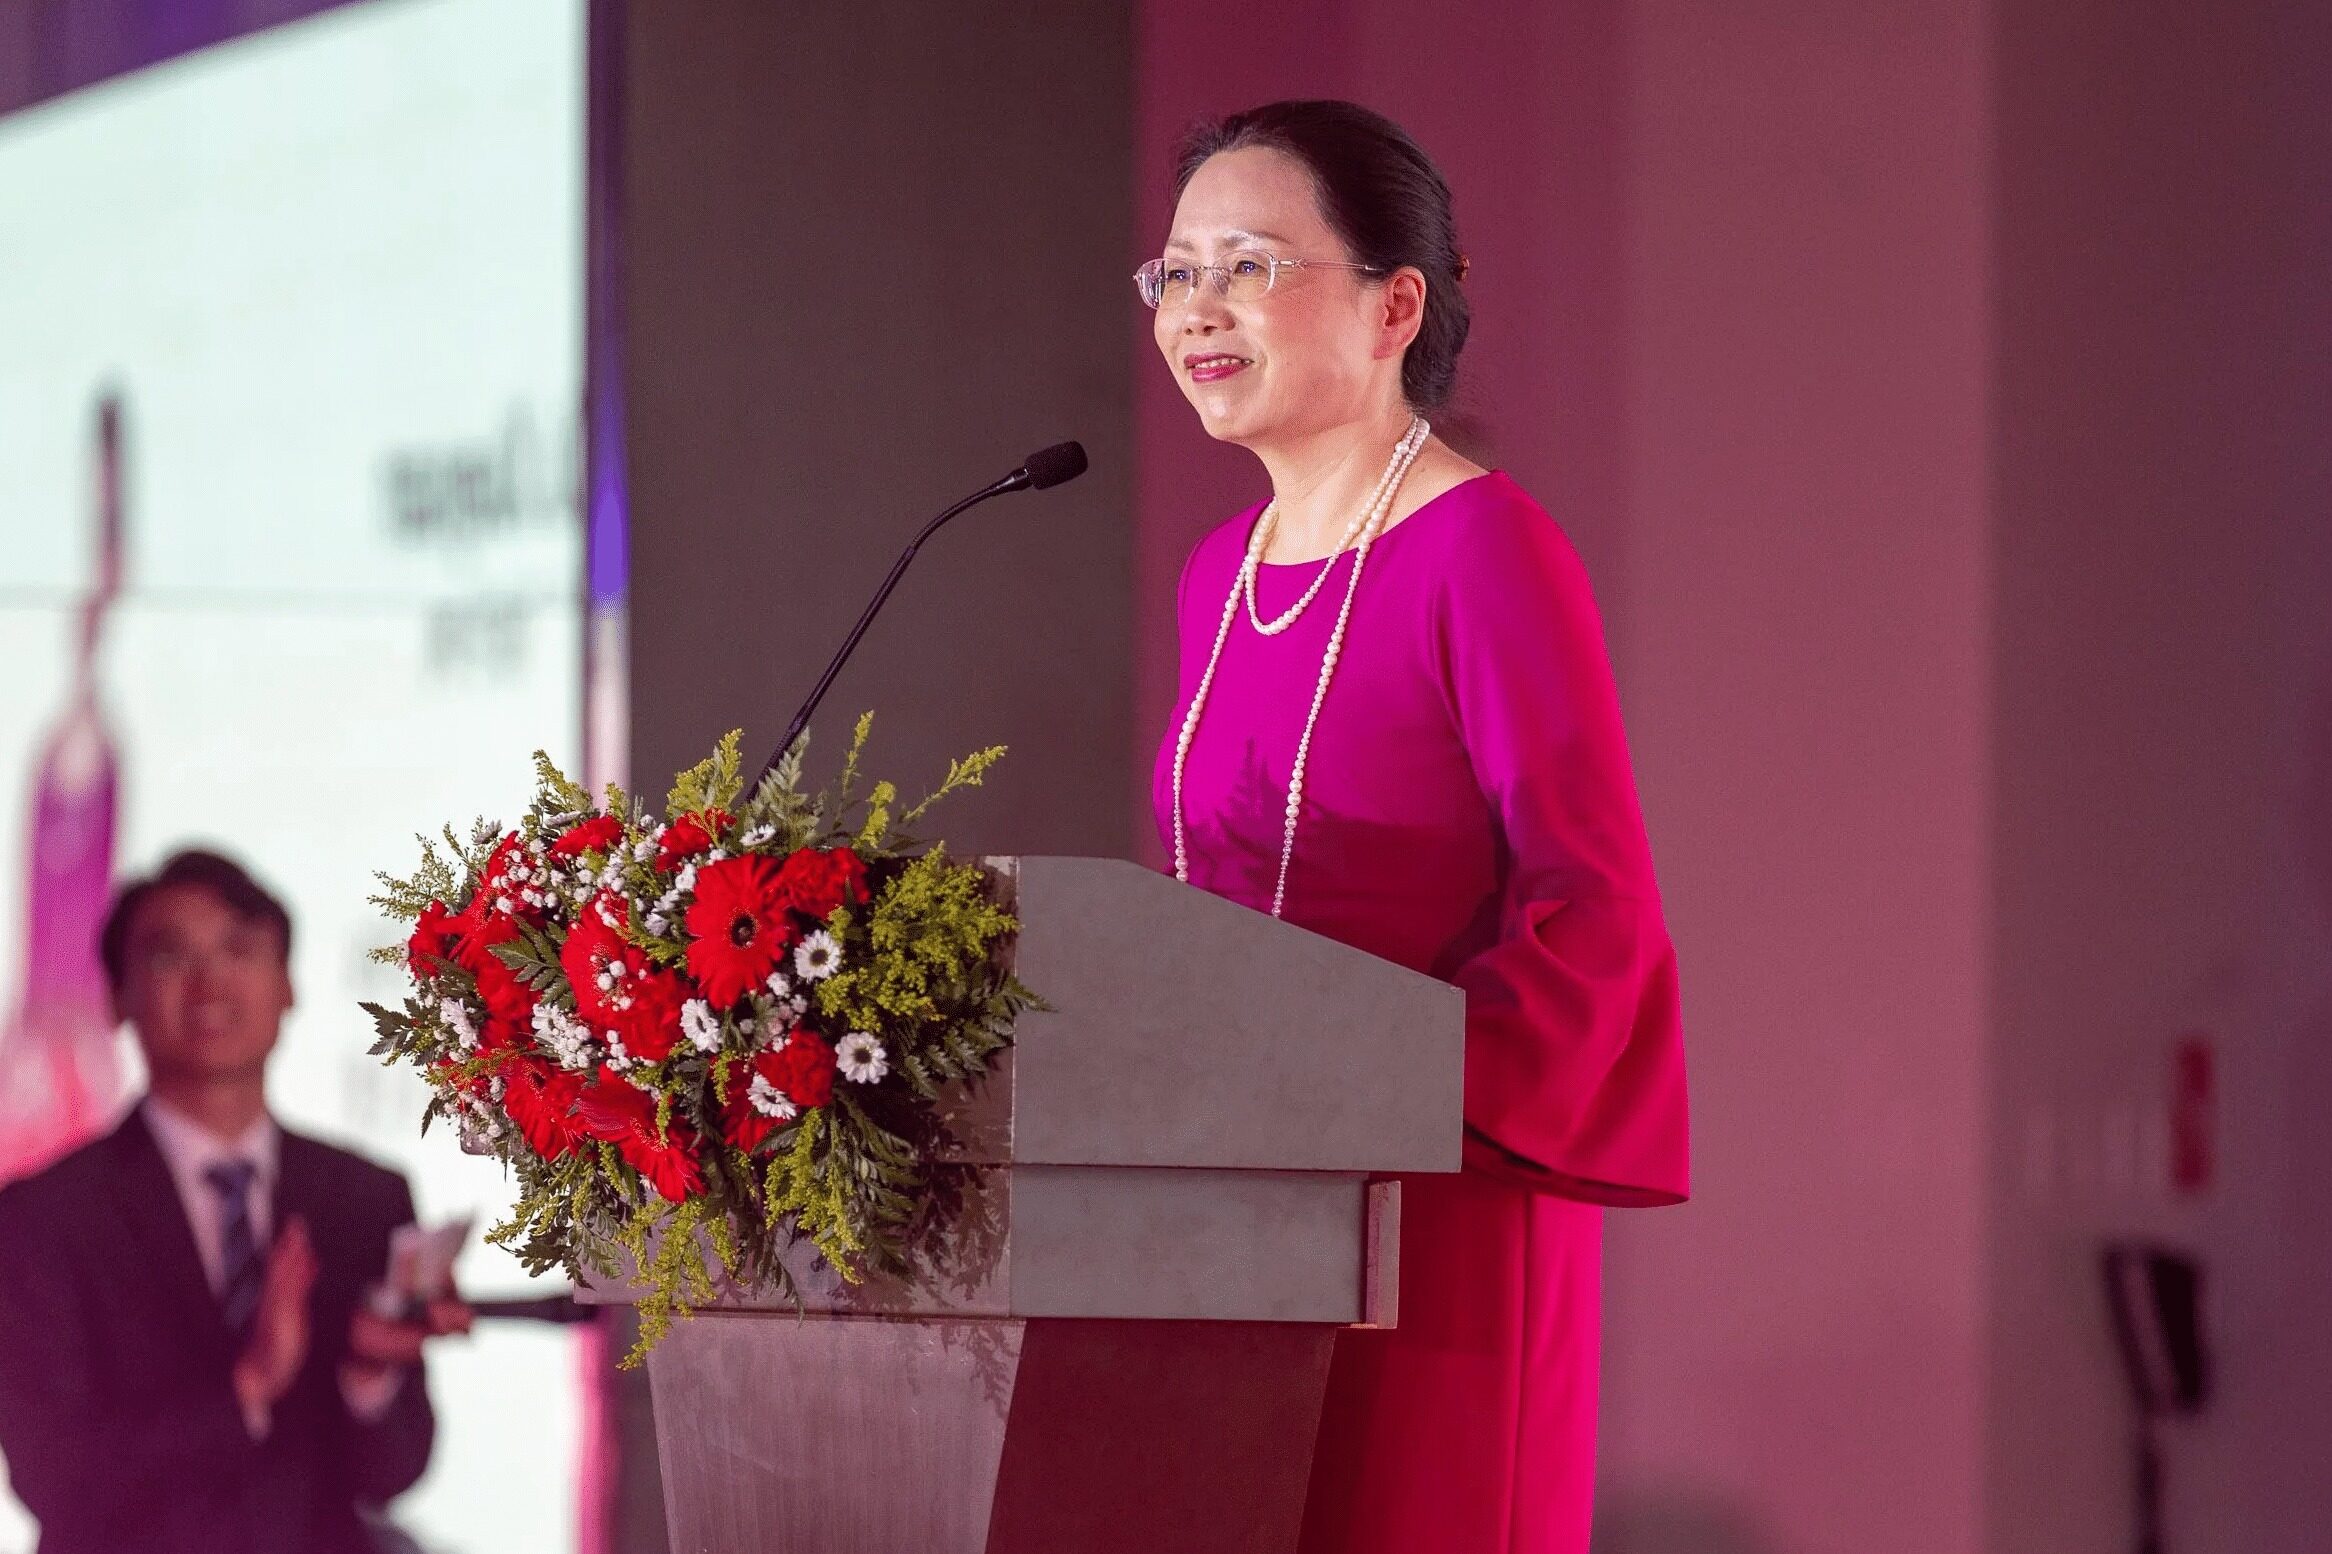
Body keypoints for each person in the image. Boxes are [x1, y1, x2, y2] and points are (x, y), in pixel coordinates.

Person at [1144, 101, 1690, 1553]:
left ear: (1395, 307)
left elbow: (1595, 910)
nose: (1197, 308)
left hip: (1435, 1226)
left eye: (1248, 266)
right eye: (1177, 272)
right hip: (1237, 1220)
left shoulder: (1488, 550)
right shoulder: (1222, 573)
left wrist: (1377, 1093)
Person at [0, 849, 469, 1554]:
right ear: (118, 996)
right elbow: (52, 1478)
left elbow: (394, 1471)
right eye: (170, 956)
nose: (210, 982)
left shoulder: (362, 1197)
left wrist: (370, 1372)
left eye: (240, 949)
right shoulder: (44, 1217)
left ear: (287, 986)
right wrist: (249, 1385)